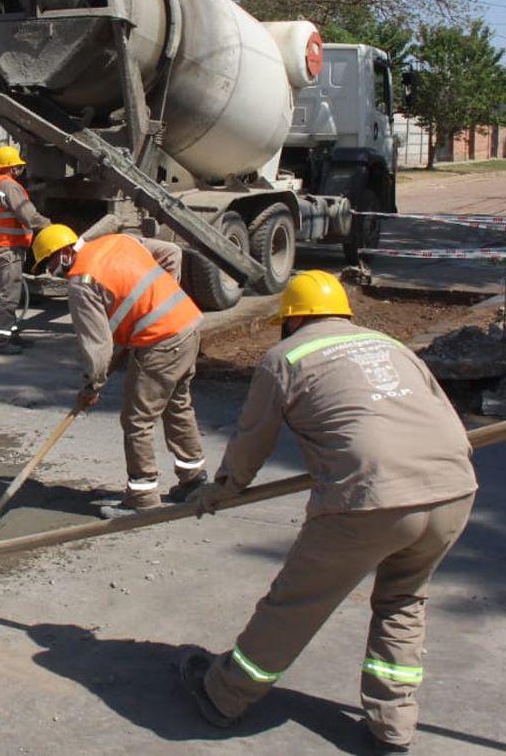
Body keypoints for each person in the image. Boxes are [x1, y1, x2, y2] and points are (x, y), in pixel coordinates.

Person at [178, 270, 478, 753]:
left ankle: (225, 694)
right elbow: (445, 417)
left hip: (370, 497)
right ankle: (392, 727)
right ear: (343, 312)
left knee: (295, 604)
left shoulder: (286, 357)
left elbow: (253, 439)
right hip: (453, 488)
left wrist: (222, 490)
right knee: (404, 602)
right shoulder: (390, 344)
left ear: (289, 320)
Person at [31, 224, 207, 518]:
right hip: (187, 325)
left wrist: (91, 386)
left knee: (137, 420)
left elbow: (97, 349)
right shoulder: (117, 241)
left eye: (49, 264)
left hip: (160, 342)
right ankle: (193, 480)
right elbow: (172, 252)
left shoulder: (82, 282)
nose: (53, 273)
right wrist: (163, 297)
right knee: (177, 405)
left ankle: (142, 496)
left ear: (62, 254)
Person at [0, 145, 50, 354]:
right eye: (18, 167)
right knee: (8, 296)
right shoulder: (10, 186)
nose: (21, 170)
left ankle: (10, 334)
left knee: (10, 292)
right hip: (8, 248)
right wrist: (50, 225)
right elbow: (29, 216)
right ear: (12, 168)